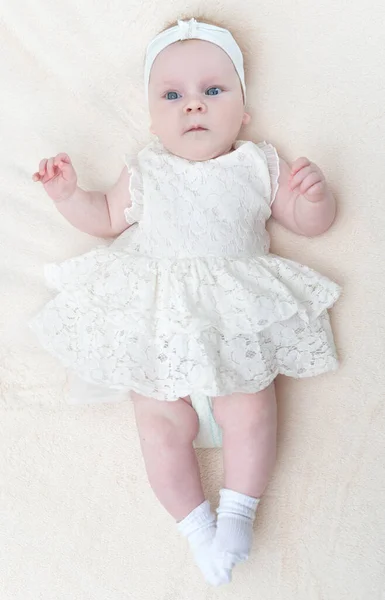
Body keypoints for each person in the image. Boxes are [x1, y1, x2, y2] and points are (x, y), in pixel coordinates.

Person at [31, 17, 341, 586]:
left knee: (251, 410)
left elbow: (307, 224)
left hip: (232, 319)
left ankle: (239, 512)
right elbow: (103, 219)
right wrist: (69, 195)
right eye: (172, 95)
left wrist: (312, 199)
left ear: (243, 111)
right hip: (159, 322)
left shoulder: (258, 163)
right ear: (152, 116)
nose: (192, 106)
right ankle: (196, 526)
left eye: (212, 91)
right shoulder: (146, 167)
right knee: (158, 422)